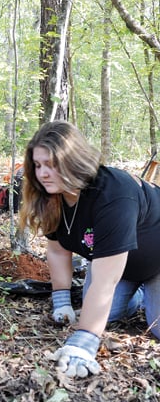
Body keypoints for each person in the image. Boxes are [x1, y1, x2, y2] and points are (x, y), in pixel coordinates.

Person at [20, 120, 160, 377]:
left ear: (75, 161)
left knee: (157, 327)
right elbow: (58, 250)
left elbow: (105, 281)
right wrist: (61, 301)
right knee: (108, 313)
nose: (42, 174)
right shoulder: (54, 197)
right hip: (121, 267)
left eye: (52, 164)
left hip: (155, 260)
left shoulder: (114, 193)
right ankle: (137, 294)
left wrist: (83, 342)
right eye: (38, 165)